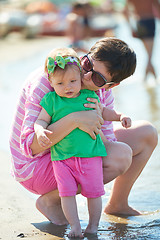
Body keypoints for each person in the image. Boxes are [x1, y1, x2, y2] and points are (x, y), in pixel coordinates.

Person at [9, 37, 158, 227]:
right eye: (87, 64)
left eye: (98, 78)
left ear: (111, 85)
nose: (86, 76)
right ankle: (52, 200)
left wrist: (95, 119)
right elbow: (31, 146)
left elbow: (105, 144)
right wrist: (75, 119)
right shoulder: (50, 80)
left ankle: (117, 204)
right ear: (85, 55)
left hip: (68, 149)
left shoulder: (102, 93)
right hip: (33, 166)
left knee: (147, 133)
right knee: (120, 156)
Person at [34, 47, 131, 237]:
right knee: (67, 194)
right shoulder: (51, 100)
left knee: (94, 193)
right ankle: (76, 226)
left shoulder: (89, 96)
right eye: (60, 83)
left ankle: (93, 226)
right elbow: (40, 120)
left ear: (80, 78)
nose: (68, 87)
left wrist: (120, 116)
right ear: (51, 83)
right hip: (62, 159)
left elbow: (105, 112)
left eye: (72, 81)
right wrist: (39, 131)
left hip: (90, 156)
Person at [125, 0, 160, 81]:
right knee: (150, 55)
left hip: (139, 21)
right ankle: (150, 79)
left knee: (148, 54)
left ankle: (148, 79)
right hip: (150, 21)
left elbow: (125, 11)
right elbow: (158, 8)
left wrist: (130, 27)